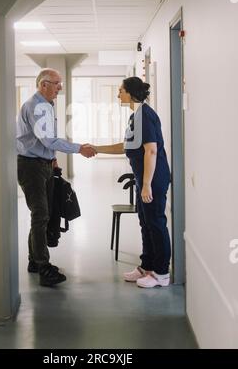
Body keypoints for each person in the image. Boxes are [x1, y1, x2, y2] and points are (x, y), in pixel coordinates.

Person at [17, 68, 96, 287]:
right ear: (44, 84)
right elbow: (49, 140)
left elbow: (46, 142)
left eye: (60, 83)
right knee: (41, 213)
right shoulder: (36, 106)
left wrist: (52, 159)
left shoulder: (47, 105)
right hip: (30, 166)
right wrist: (79, 148)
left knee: (43, 213)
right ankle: (43, 266)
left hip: (43, 164)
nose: (60, 87)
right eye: (57, 83)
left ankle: (34, 260)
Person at [93, 77, 171, 288]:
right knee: (145, 222)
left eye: (121, 90)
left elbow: (151, 150)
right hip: (143, 178)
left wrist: (146, 184)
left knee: (155, 223)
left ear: (130, 93)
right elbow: (126, 146)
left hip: (153, 179)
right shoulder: (136, 116)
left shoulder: (145, 116)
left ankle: (162, 273)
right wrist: (97, 148)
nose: (118, 94)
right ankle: (147, 267)